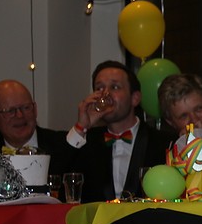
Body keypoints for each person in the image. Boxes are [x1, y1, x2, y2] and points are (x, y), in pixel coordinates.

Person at [66, 61, 171, 202]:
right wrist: (82, 126)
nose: (106, 94)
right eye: (99, 88)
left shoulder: (163, 142)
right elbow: (58, 175)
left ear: (135, 98)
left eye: (114, 87)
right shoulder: (86, 142)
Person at [0, 79, 75, 164]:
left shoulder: (64, 145)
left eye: (26, 108)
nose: (20, 115)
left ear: (35, 110)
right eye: (10, 111)